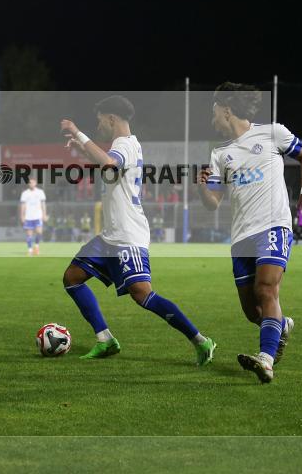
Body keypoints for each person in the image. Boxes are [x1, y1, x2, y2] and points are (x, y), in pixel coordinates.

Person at [60, 95, 216, 365]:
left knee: (142, 294)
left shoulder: (125, 145)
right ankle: (105, 339)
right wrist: (84, 150)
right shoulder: (124, 147)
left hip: (127, 236)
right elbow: (110, 168)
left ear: (111, 118)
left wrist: (78, 133)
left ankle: (201, 341)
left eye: (100, 121)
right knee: (72, 277)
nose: (99, 127)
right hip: (111, 235)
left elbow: (110, 165)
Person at [197, 82, 302, 383]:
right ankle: (282, 325)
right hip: (241, 238)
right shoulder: (219, 154)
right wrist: (201, 186)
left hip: (273, 225)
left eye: (213, 113)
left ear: (226, 110)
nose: (212, 121)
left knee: (266, 290)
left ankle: (265, 360)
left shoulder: (273, 133)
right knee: (253, 312)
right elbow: (213, 204)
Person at [20, 178, 47, 255]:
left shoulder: (40, 192)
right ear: (28, 184)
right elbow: (23, 205)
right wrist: (22, 216)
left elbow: (43, 204)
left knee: (39, 232)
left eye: (33, 182)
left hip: (38, 216)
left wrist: (44, 214)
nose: (31, 184)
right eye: (30, 183)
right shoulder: (25, 193)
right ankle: (30, 250)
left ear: (35, 183)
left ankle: (36, 246)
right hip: (28, 217)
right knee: (29, 234)